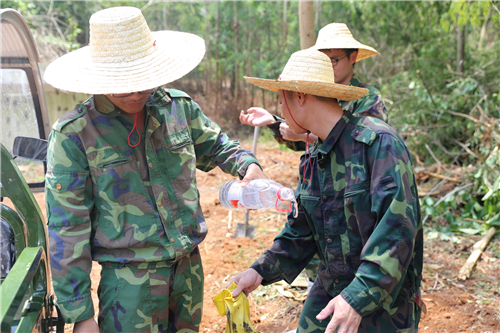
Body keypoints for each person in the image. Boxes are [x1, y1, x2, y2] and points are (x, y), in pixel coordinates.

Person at [43, 7, 267, 333]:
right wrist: (80, 315)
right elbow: (66, 231)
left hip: (188, 271)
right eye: (124, 84)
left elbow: (218, 145)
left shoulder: (177, 109)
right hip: (129, 285)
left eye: (143, 81)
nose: (135, 93)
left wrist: (248, 165)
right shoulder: (75, 135)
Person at [230, 48, 424, 333]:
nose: (280, 112)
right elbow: (301, 230)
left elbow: (397, 231)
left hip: (384, 298)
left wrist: (356, 299)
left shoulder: (377, 143)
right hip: (330, 287)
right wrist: (259, 271)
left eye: (280, 101)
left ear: (300, 96)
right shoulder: (313, 156)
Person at [240, 22, 388, 151]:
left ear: (353, 57)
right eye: (323, 60)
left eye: (333, 60)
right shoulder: (316, 95)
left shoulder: (368, 98)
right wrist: (274, 122)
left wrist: (307, 137)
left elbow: (366, 145)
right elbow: (299, 139)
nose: (328, 66)